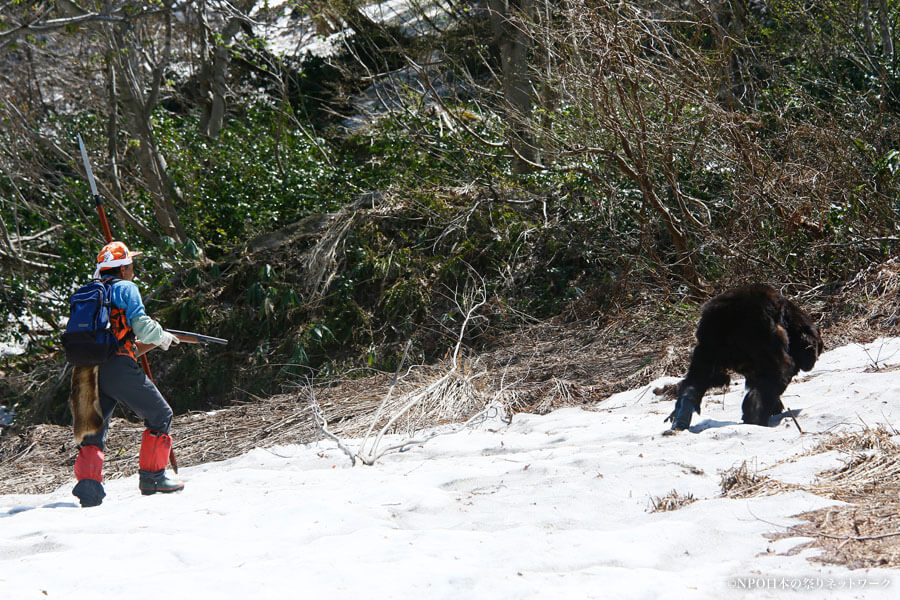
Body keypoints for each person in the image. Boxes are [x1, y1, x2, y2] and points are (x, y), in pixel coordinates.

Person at [72, 241, 184, 507]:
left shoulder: (86, 293)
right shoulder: (126, 288)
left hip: (84, 368)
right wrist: (163, 337)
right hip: (117, 366)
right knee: (160, 414)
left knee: (91, 430)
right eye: (131, 265)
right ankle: (153, 478)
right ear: (122, 269)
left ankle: (88, 488)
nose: (133, 270)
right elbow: (142, 326)